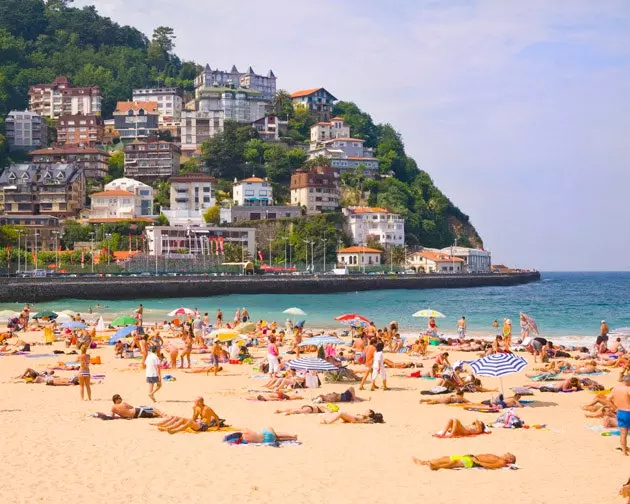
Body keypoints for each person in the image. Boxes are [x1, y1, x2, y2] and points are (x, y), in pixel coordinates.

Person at [154, 397, 221, 434]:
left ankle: (175, 431)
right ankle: (166, 427)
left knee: (189, 422)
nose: (194, 402)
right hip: (198, 423)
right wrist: (193, 419)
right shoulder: (196, 408)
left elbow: (216, 416)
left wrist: (218, 427)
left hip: (203, 426)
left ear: (200, 402)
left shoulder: (207, 409)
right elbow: (194, 417)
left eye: (195, 402)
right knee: (180, 419)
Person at [413, 453, 516, 470]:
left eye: (509, 455)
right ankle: (424, 462)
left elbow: (491, 466)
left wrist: (478, 462)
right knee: (447, 458)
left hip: (473, 462)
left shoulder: (502, 462)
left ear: (510, 460)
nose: (506, 453)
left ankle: (436, 467)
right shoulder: (499, 457)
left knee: (454, 463)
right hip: (471, 457)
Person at [610, 372, 630, 456]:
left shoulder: (615, 389)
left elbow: (608, 399)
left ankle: (624, 452)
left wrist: (615, 407)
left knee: (623, 434)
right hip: (628, 412)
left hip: (620, 412)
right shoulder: (628, 389)